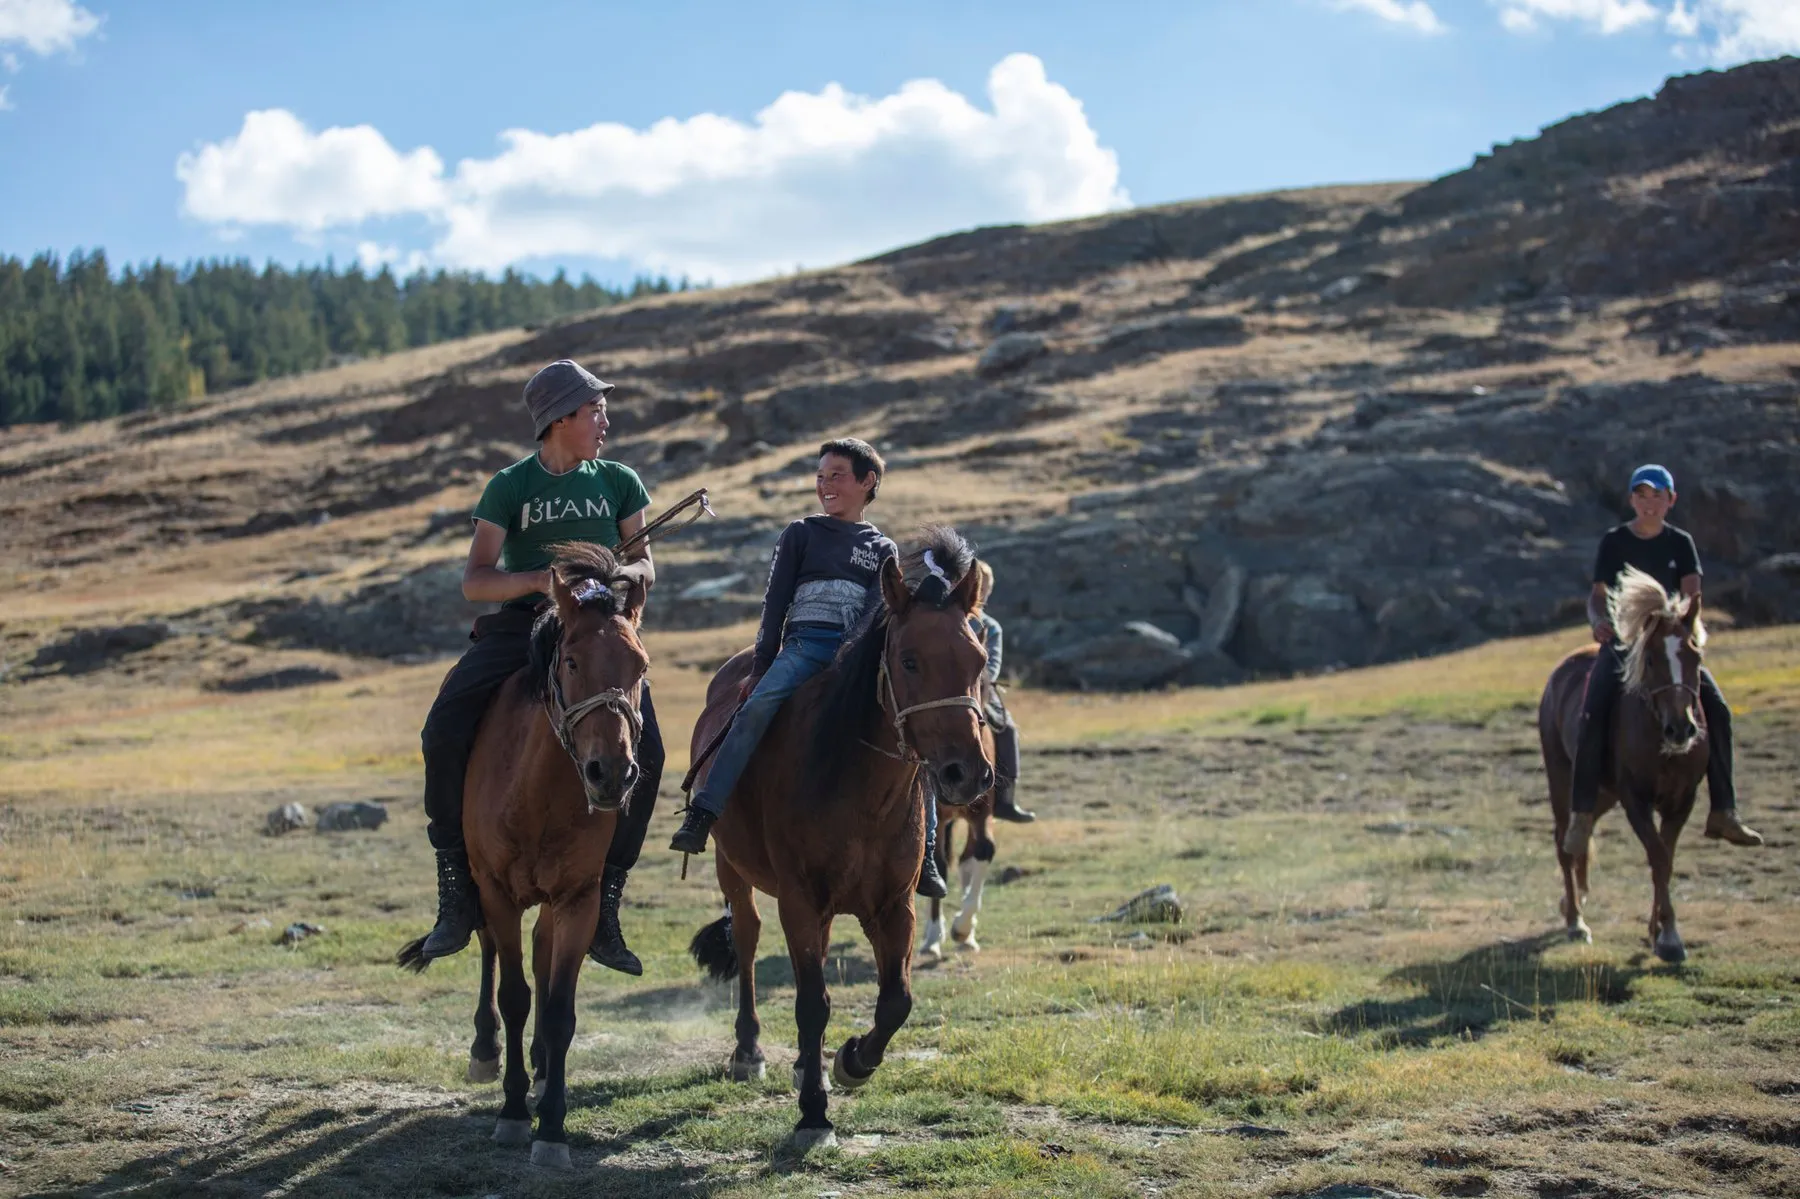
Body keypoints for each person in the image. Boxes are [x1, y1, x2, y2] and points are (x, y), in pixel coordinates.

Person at [416, 359, 666, 974]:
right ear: (559, 419)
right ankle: (456, 888)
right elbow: (475, 580)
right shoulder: (510, 486)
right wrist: (539, 581)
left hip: (597, 634)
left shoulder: (620, 482)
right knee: (441, 729)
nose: (606, 420)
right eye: (595, 410)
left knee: (651, 753)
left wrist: (612, 575)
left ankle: (605, 902)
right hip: (520, 631)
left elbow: (645, 567)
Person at [667, 438, 949, 898]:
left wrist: (852, 668)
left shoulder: (881, 548)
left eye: (836, 475)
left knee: (910, 731)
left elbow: (874, 613)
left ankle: (929, 849)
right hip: (803, 648)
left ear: (867, 482)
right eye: (820, 476)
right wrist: (761, 666)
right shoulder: (801, 533)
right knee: (755, 710)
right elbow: (774, 602)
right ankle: (704, 812)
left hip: (853, 661)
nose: (825, 484)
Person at [1561, 463, 1762, 858]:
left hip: (1671, 644)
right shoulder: (1615, 542)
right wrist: (1599, 621)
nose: (1649, 504)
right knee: (1592, 710)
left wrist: (1681, 625)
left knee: (1718, 711)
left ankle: (1723, 810)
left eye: (1658, 496)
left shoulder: (1680, 543)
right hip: (1626, 644)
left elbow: (1692, 596)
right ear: (1632, 500)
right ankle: (1582, 816)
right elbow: (1598, 595)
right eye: (1642, 496)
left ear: (1671, 501)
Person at [968, 562, 1035, 823]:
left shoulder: (992, 627)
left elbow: (992, 666)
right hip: (952, 687)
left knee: (1007, 729)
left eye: (985, 588)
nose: (981, 592)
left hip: (982, 689)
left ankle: (1005, 798)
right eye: (977, 585)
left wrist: (977, 682)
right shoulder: (952, 618)